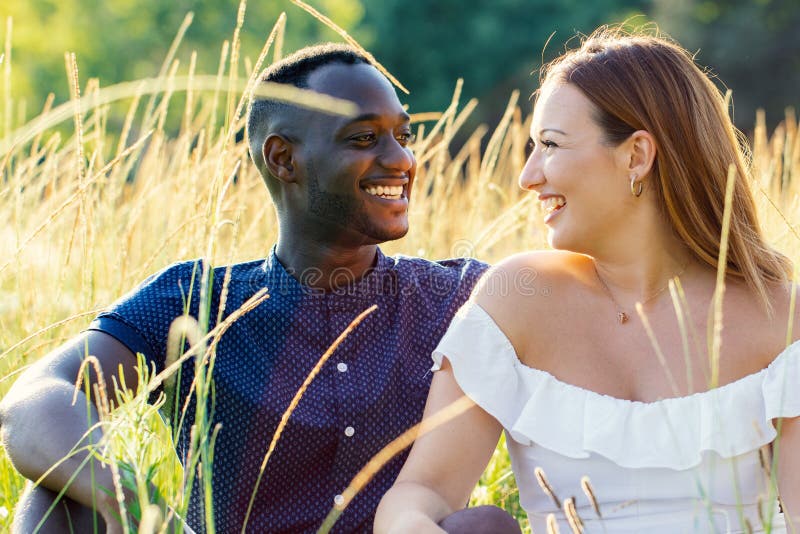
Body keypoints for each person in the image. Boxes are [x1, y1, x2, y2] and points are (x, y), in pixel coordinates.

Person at [0, 44, 505, 533]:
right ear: (283, 159)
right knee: (59, 491)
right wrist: (126, 496)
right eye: (364, 138)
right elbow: (34, 400)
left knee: (485, 525)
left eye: (403, 134)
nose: (402, 160)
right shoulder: (195, 303)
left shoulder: (461, 297)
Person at [375, 27, 800, 534]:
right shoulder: (519, 299)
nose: (527, 176)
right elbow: (422, 492)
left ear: (636, 156)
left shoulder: (783, 320)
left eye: (550, 145)